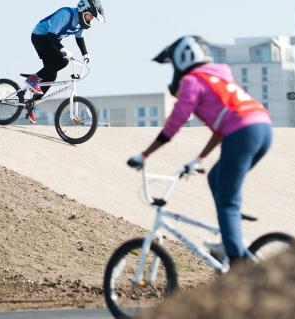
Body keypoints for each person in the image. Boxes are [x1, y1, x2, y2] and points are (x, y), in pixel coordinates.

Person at [127, 35, 273, 267]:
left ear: (181, 60)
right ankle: (230, 236)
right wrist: (199, 158)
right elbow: (223, 128)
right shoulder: (218, 76)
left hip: (243, 134)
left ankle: (238, 263)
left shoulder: (192, 82)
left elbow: (175, 122)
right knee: (216, 178)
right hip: (262, 128)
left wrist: (144, 155)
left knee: (227, 202)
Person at [24, 0, 105, 123]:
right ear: (84, 11)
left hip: (50, 40)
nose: (91, 19)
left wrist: (85, 54)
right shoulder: (65, 14)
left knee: (51, 75)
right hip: (40, 37)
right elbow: (51, 35)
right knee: (62, 61)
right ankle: (33, 79)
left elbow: (79, 38)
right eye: (91, 15)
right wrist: (62, 49)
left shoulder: (80, 23)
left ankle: (32, 105)